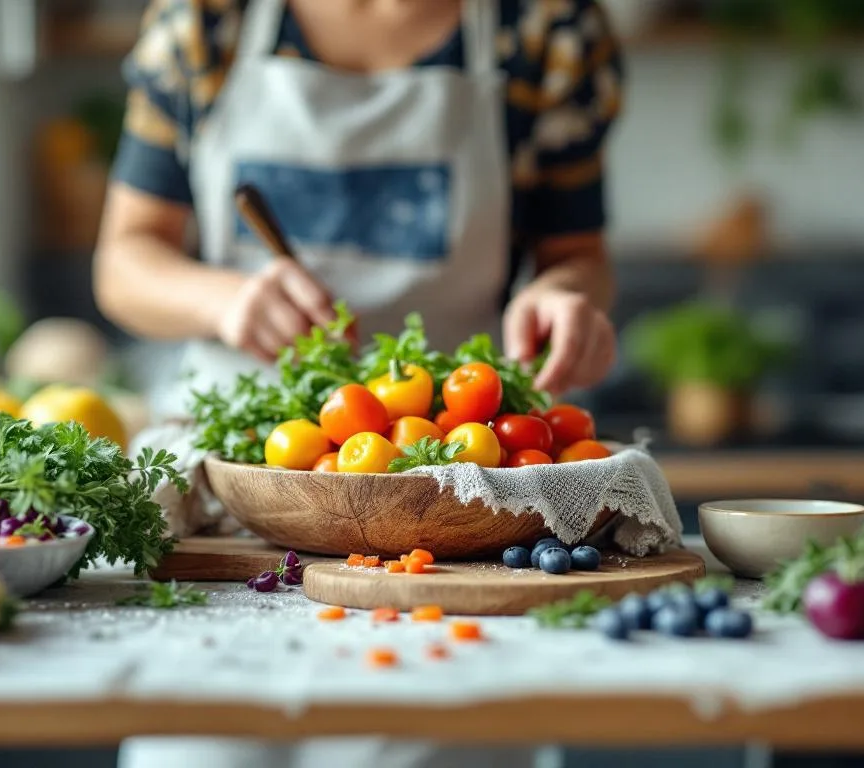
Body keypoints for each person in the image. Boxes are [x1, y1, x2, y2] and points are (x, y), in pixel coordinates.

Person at [94, 0, 623, 764]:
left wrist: (560, 293)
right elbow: (124, 263)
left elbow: (579, 252)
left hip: (446, 498)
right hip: (240, 495)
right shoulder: (207, 23)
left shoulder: (545, 29)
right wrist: (226, 300)